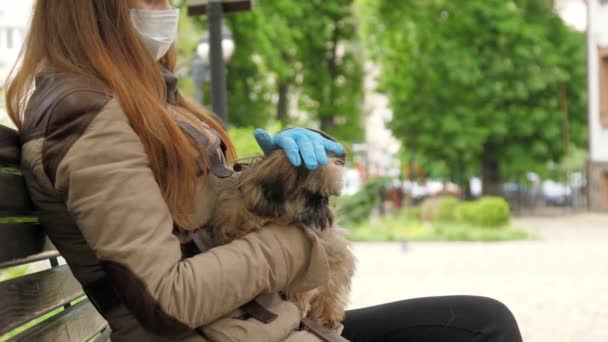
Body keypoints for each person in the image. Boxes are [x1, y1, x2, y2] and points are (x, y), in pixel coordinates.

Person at [5, 1, 523, 341]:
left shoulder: (134, 101)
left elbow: (207, 221)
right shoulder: (87, 114)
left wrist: (295, 169)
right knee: (483, 328)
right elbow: (168, 298)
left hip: (261, 325)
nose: (168, 10)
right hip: (235, 332)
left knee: (480, 320)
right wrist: (298, 247)